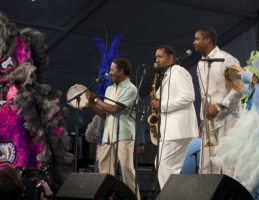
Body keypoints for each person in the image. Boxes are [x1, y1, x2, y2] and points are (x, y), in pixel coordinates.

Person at [86, 58, 140, 198]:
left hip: (124, 135)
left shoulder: (131, 89)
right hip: (108, 135)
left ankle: (134, 198)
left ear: (121, 71)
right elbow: (105, 113)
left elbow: (115, 109)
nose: (109, 73)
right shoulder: (109, 89)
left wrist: (97, 99)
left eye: (112, 70)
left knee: (126, 169)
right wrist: (91, 104)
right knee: (105, 170)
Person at [193, 27, 241, 175]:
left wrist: (219, 106)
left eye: (197, 39)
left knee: (228, 165)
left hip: (229, 118)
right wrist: (202, 120)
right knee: (207, 165)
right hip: (209, 121)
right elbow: (203, 94)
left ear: (207, 40)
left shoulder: (227, 59)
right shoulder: (200, 63)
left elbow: (239, 88)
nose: (194, 42)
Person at [150, 45, 198, 189]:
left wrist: (162, 105)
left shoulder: (179, 71)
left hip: (178, 129)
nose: (157, 60)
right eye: (156, 57)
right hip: (172, 130)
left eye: (160, 56)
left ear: (171, 57)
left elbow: (189, 96)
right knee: (171, 167)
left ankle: (171, 194)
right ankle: (179, 193)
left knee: (163, 163)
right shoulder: (167, 75)